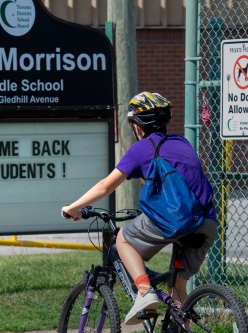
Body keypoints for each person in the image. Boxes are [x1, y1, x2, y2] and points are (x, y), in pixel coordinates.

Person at [61, 92, 218, 325]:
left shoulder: (142, 149)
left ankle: (144, 292)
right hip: (207, 221)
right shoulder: (182, 142)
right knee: (177, 289)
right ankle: (182, 327)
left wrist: (73, 208)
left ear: (137, 126)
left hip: (176, 220)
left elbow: (105, 186)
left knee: (123, 239)